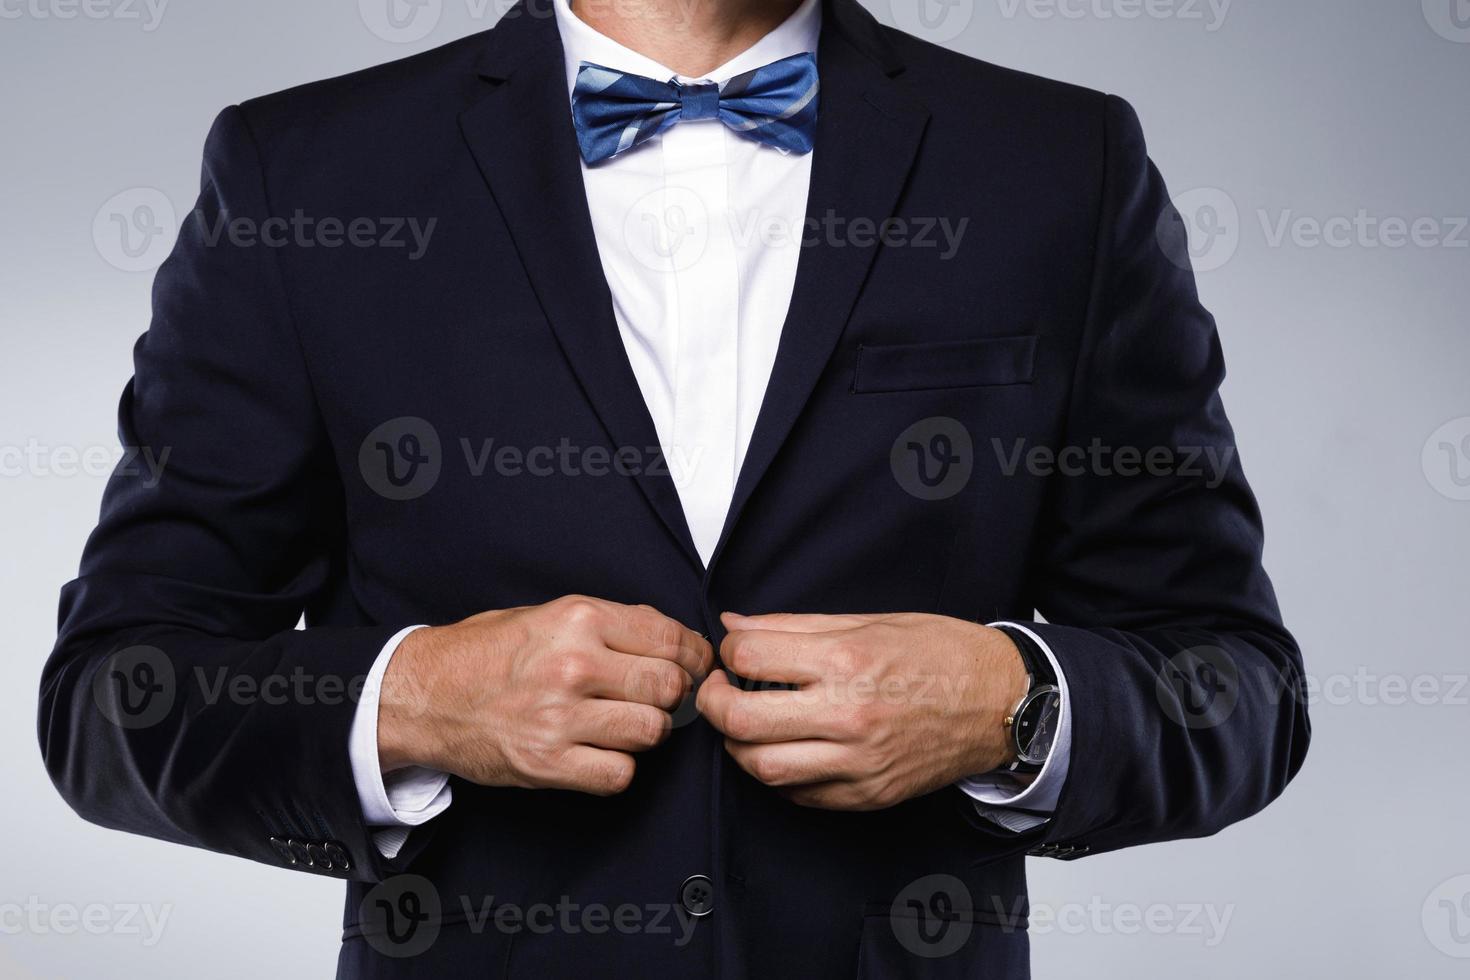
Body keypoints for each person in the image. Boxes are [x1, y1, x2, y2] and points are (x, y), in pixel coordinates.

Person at [39, 0, 1310, 975]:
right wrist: (415, 699)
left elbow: (1239, 683)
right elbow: (114, 696)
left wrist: (1017, 705)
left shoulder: (1058, 163)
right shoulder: (301, 173)